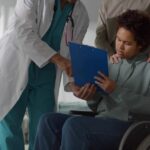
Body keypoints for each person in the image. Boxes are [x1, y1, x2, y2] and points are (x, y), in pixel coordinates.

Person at [34, 9, 150, 150]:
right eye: (118, 40)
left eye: (127, 43)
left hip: (130, 127)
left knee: (75, 126)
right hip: (102, 120)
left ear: (141, 45)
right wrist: (90, 95)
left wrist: (115, 90)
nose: (120, 46)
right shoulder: (112, 64)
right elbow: (97, 106)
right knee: (48, 121)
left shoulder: (147, 68)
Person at [0, 0, 89, 150]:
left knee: (43, 127)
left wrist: (73, 83)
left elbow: (74, 53)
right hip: (17, 64)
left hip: (48, 74)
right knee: (9, 124)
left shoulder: (81, 14)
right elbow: (23, 32)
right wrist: (59, 59)